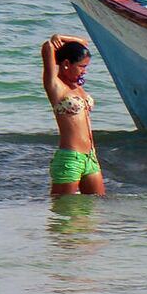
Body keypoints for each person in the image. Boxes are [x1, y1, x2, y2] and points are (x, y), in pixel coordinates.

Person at [43, 34, 105, 196]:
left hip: (91, 158)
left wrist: (63, 37)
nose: (84, 71)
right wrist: (56, 38)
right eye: (82, 67)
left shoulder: (77, 87)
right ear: (65, 64)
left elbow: (84, 42)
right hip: (70, 158)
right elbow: (48, 47)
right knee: (63, 213)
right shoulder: (56, 86)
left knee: (96, 208)